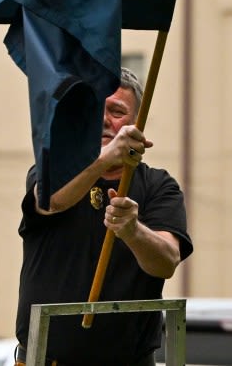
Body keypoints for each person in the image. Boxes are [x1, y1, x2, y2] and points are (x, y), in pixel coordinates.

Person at [14, 68, 192, 366]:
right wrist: (106, 157)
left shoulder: (159, 186)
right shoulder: (53, 167)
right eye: (94, 108)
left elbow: (166, 261)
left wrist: (133, 231)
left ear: (136, 125)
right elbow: (51, 201)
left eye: (117, 111)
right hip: (45, 358)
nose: (104, 119)